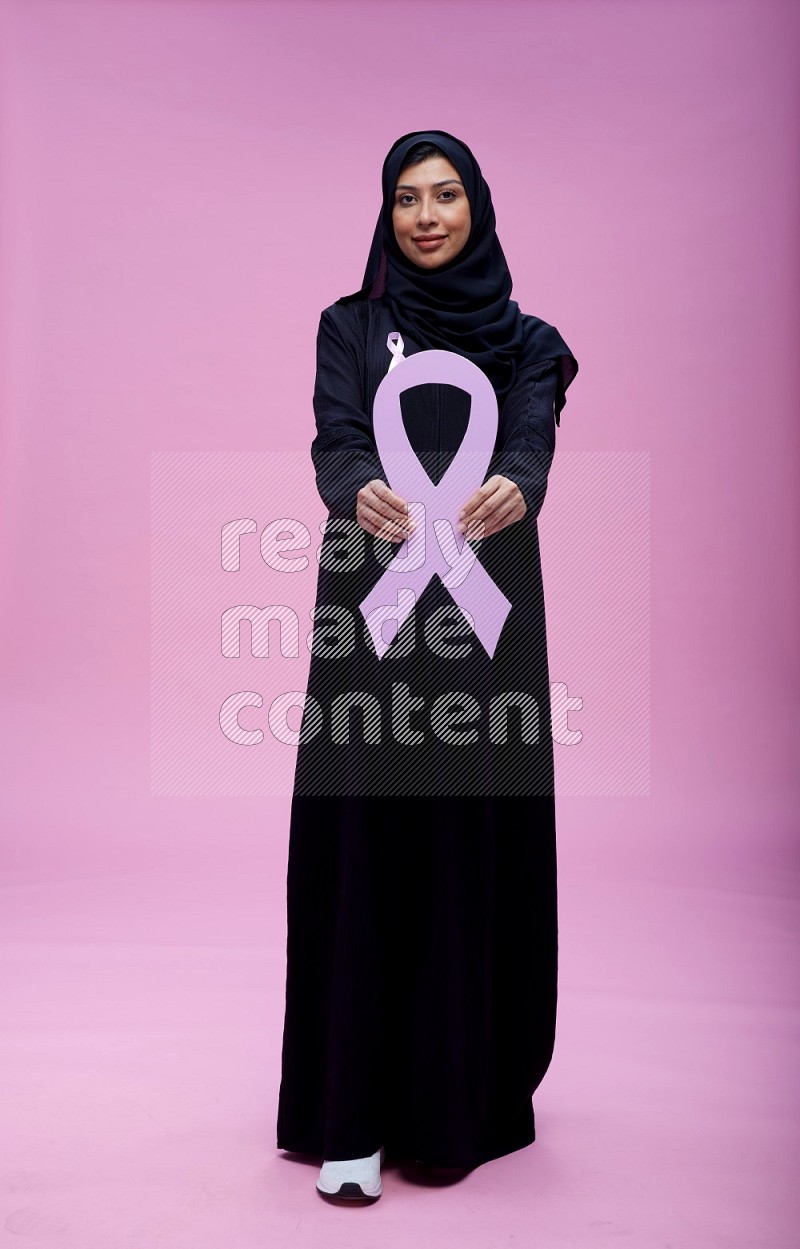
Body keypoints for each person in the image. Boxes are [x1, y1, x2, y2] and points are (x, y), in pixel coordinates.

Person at [276, 129, 579, 1202]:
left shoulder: (529, 340)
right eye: (406, 198)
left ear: (477, 207)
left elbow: (531, 431)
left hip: (482, 631)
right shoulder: (349, 326)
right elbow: (333, 437)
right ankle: (346, 1111)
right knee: (367, 839)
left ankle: (456, 1104)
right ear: (385, 215)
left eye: (445, 195)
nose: (426, 216)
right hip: (374, 612)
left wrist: (519, 480)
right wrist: (355, 482)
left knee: (462, 840)